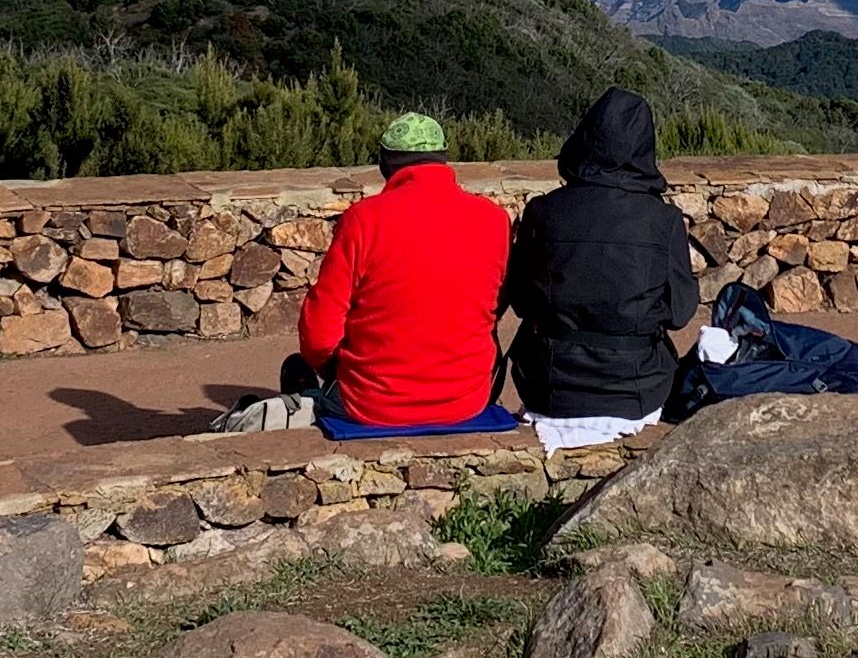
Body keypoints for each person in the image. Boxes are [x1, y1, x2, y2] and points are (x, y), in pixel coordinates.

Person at [212, 111, 511, 434]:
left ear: (386, 163)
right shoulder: (494, 220)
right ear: (443, 160)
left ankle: (305, 399)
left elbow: (319, 333)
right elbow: (494, 307)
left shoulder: (363, 220)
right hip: (465, 400)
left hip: (373, 403)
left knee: (297, 368)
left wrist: (332, 367)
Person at [504, 85, 697, 428]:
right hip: (636, 390)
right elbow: (680, 312)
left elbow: (519, 300)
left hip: (549, 386)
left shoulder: (542, 212)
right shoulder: (662, 220)